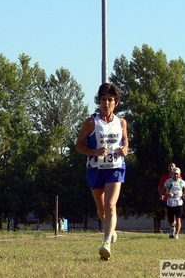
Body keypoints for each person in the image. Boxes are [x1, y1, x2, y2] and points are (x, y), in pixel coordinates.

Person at [75, 83, 128, 260]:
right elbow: (78, 146)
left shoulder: (121, 123)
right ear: (99, 101)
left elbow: (126, 143)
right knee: (101, 208)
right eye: (103, 99)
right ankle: (110, 229)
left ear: (116, 103)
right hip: (95, 168)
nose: (106, 103)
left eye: (110, 100)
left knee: (110, 205)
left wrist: (125, 150)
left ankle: (106, 243)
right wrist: (94, 152)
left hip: (115, 167)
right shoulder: (91, 123)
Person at [162, 167, 185, 240]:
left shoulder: (182, 182)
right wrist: (167, 194)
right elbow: (163, 189)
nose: (176, 175)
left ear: (179, 174)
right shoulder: (168, 181)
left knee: (178, 219)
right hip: (170, 202)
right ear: (172, 174)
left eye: (177, 174)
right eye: (174, 174)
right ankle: (172, 228)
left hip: (179, 202)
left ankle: (176, 234)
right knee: (170, 219)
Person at [157, 163, 177, 232]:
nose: (171, 167)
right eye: (170, 166)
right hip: (166, 198)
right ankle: (171, 226)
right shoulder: (164, 177)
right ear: (168, 168)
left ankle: (173, 226)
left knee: (174, 213)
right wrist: (161, 195)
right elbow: (160, 188)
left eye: (172, 166)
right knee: (168, 213)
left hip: (175, 199)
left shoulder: (179, 177)